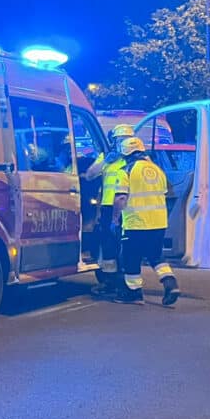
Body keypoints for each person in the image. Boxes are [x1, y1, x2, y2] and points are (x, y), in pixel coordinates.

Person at [112, 136, 180, 306]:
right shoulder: (157, 170)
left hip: (136, 223)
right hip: (158, 223)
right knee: (156, 256)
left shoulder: (126, 170)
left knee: (130, 258)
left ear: (124, 153)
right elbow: (169, 195)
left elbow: (121, 197)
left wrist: (114, 218)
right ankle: (170, 283)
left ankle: (133, 293)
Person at [88, 124, 136, 296]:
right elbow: (89, 174)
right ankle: (109, 281)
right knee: (108, 246)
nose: (122, 143)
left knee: (125, 246)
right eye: (119, 140)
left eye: (125, 139)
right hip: (108, 208)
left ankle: (126, 283)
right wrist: (105, 161)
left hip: (128, 208)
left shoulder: (134, 159)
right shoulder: (106, 157)